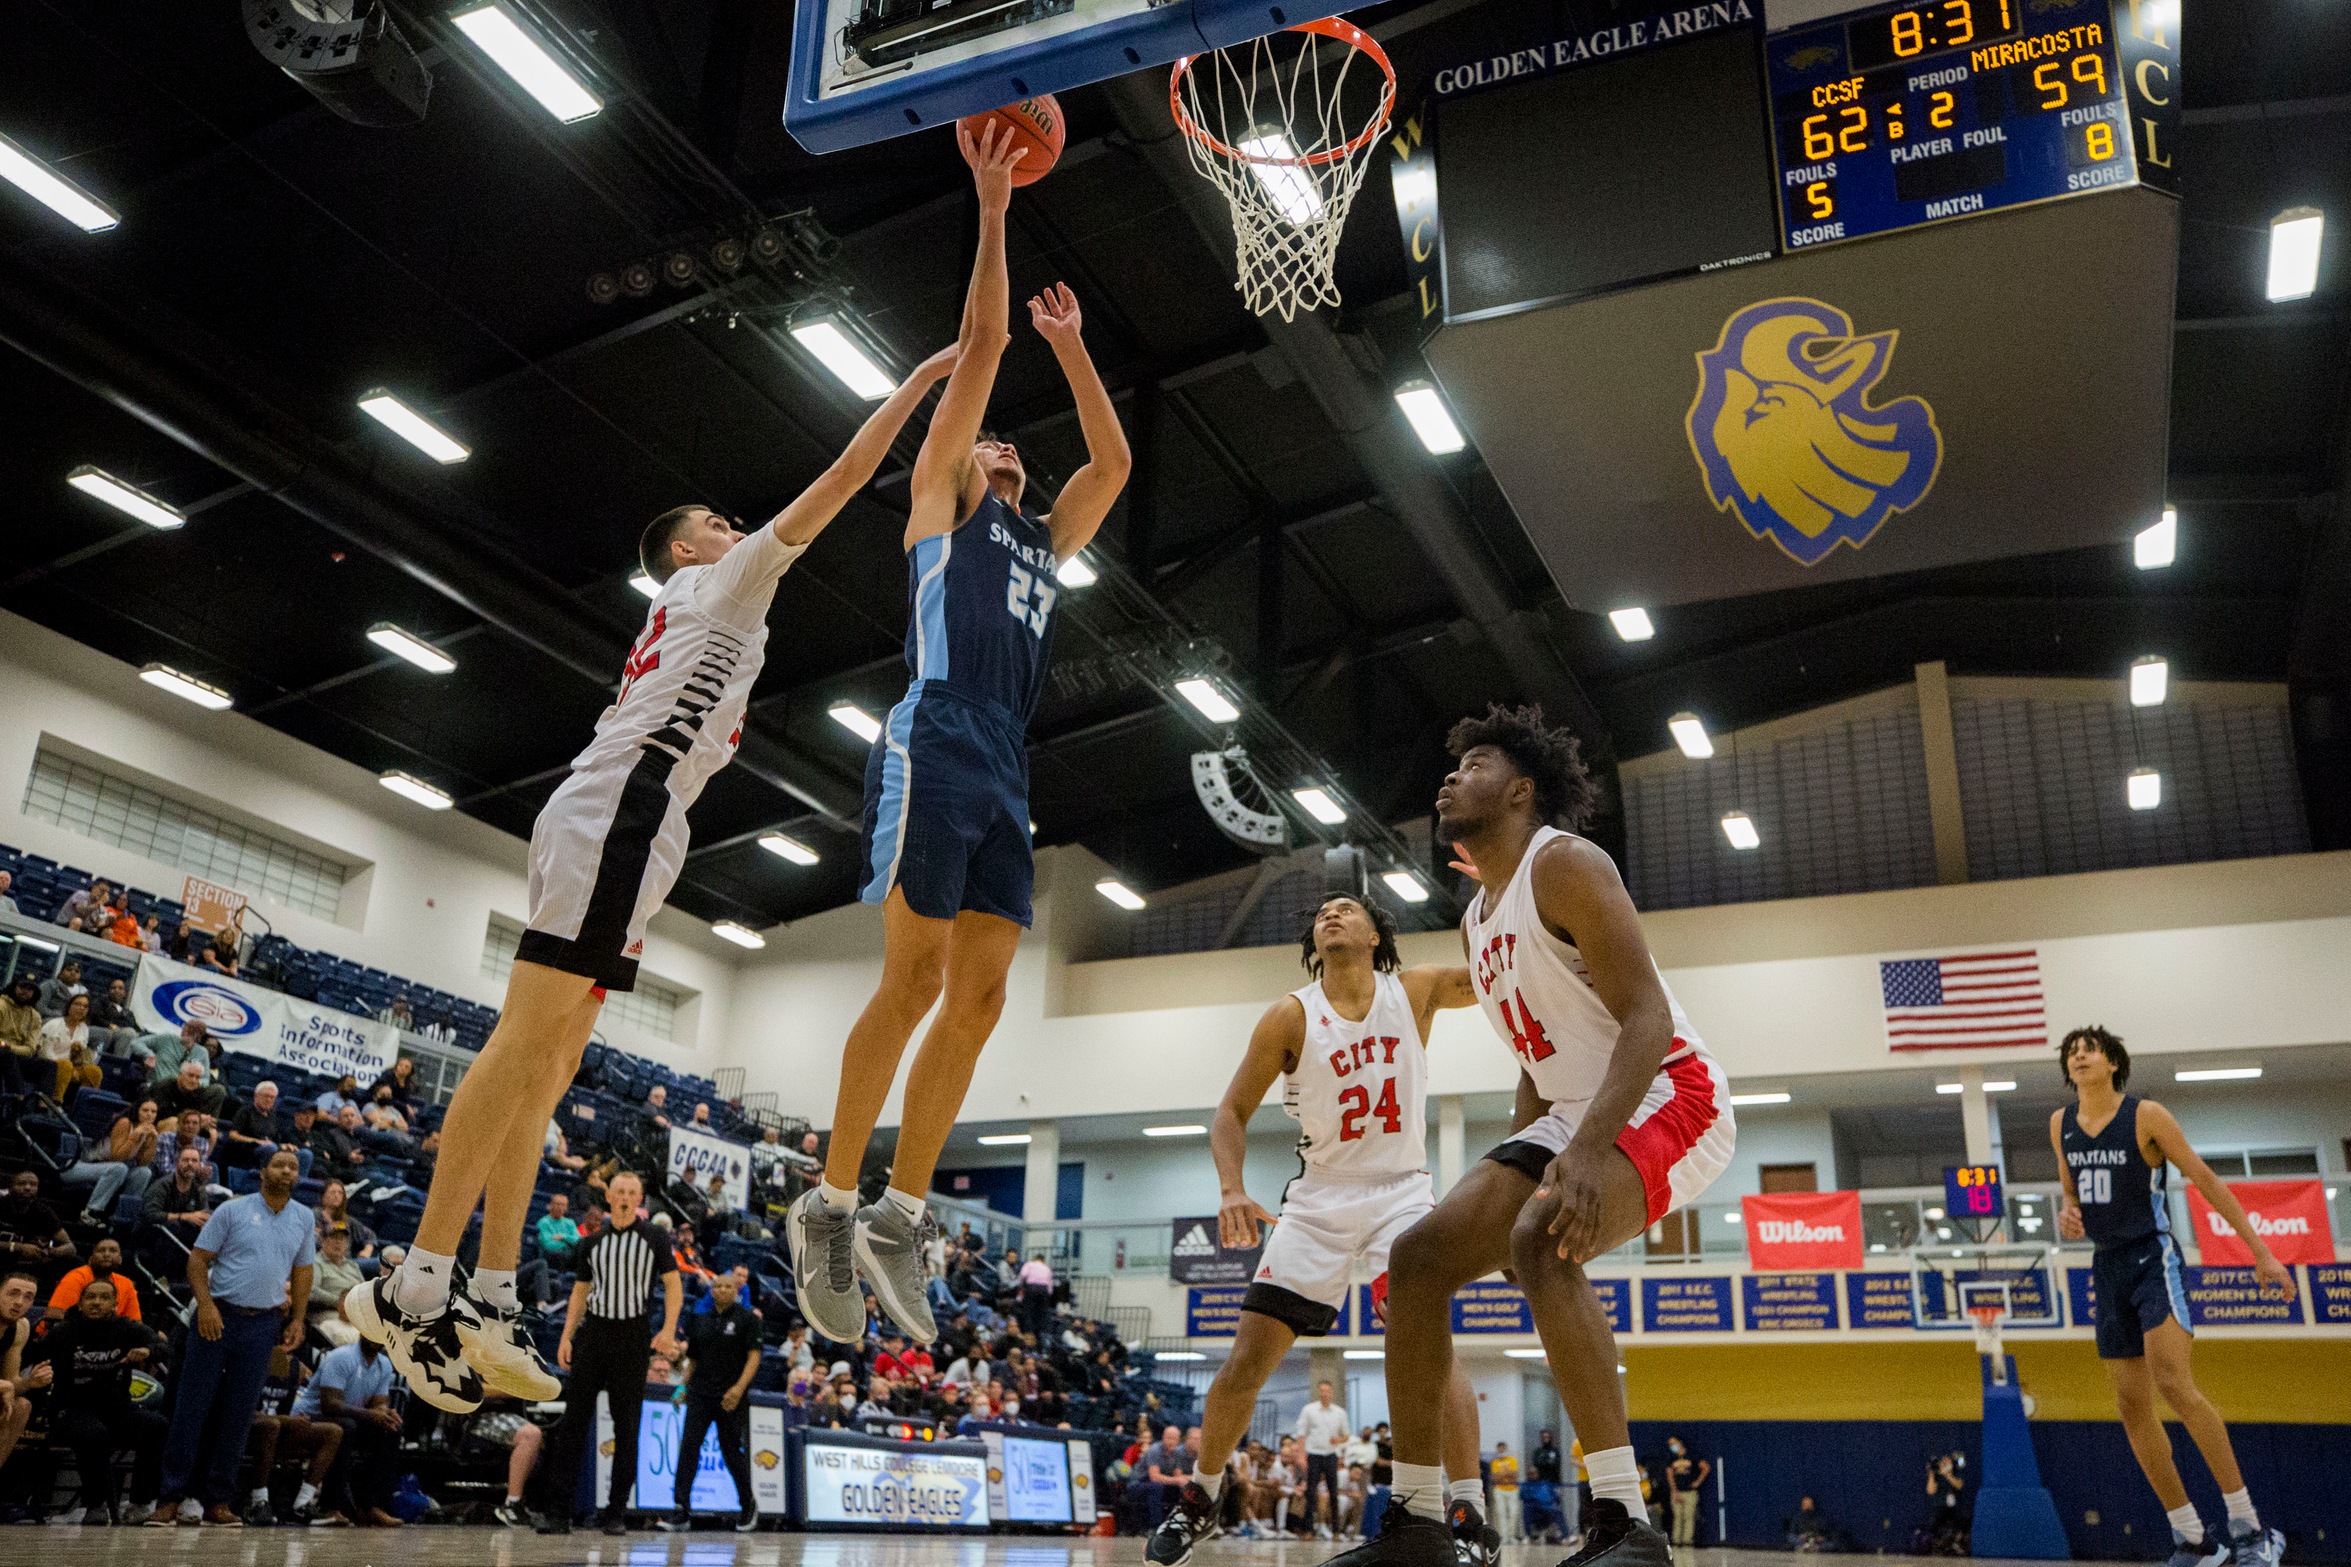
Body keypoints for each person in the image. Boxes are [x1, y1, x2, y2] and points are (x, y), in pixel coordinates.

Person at [348, 347, 960, 1417]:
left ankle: (489, 1299)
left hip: (646, 824)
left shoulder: (712, 604)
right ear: (685, 547)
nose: (737, 527)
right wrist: (916, 389)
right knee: (522, 1044)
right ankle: (414, 1283)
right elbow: (841, 480)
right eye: (719, 519)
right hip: (617, 810)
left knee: (552, 1069)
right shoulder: (713, 578)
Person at [791, 125, 1130, 1350]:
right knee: (913, 975)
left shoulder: (1047, 541)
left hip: (1007, 757)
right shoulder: (939, 504)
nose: (1005, 442)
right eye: (992, 436)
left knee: (982, 995)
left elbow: (1114, 458)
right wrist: (990, 201)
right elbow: (979, 345)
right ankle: (826, 1199)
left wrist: (1077, 351)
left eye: (1010, 445)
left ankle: (898, 1211)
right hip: (934, 730)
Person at [1333, 706, 1736, 1567]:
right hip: (1571, 1108)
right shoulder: (1481, 916)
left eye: (1473, 761)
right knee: (1417, 1259)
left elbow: (1647, 1016)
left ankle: (1626, 1523)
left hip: (1670, 1090)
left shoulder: (1565, 864)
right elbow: (1536, 1053)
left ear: (1519, 790)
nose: (1450, 775)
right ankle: (1418, 1523)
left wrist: (1581, 1154)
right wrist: (1520, 1159)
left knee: (1541, 1241)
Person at [1149, 895, 1483, 1567]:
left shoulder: (1413, 990)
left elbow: (1497, 973)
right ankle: (1202, 1497)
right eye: (1322, 910)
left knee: (1431, 1343)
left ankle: (1466, 1507)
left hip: (1402, 1192)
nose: (1331, 913)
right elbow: (1230, 1113)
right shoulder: (1290, 1014)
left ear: (1373, 934)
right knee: (1247, 1359)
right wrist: (1230, 1188)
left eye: (1347, 908)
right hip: (1318, 1198)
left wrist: (1500, 896)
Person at [2050, 1025, 2289, 1567]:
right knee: (2131, 1405)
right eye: (2071, 1051)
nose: (2079, 1055)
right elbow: (2070, 1191)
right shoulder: (2060, 1124)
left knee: (2172, 1381)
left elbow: (2203, 1178)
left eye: (2090, 1049)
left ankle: (2251, 1528)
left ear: (2113, 1063)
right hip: (2106, 1264)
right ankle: (2192, 1538)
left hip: (2152, 1257)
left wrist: (2261, 1250)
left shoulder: (2147, 1116)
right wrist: (2067, 1212)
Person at [155, 1147, 313, 1526]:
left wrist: (298, 1318)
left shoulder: (304, 1218)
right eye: (279, 1165)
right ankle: (170, 1497)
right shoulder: (233, 1211)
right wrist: (205, 1305)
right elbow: (197, 1260)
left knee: (239, 1415)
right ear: (262, 1172)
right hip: (218, 1316)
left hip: (263, 1324)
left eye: (293, 1167)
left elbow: (304, 1270)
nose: (287, 1171)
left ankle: (217, 1501)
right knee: (192, 1408)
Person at [535, 1170, 683, 1534]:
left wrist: (667, 1329)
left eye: (632, 1192)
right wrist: (567, 1336)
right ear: (609, 1197)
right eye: (619, 1190)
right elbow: (580, 1293)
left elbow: (674, 1285)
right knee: (573, 1423)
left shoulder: (654, 1237)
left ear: (639, 1199)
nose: (624, 1196)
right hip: (595, 1333)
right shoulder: (593, 1241)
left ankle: (616, 1511)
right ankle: (558, 1511)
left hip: (632, 1337)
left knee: (627, 1426)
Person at [29, 1275, 167, 1525]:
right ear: (79, 1304)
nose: (96, 1302)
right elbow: (34, 1356)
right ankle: (94, 1504)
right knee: (93, 1433)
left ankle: (140, 1502)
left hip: (116, 1407)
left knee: (157, 1426)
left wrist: (148, 1351)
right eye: (90, 1297)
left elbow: (162, 1345)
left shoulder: (127, 1327)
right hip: (71, 1408)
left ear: (115, 1305)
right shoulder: (63, 1332)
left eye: (104, 1298)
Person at [662, 1267, 763, 1532]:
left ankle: (748, 1505)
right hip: (700, 1393)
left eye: (728, 1287)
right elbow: (692, 1359)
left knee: (731, 1452)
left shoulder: (748, 1320)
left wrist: (739, 1389)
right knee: (689, 1449)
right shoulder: (700, 1320)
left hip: (730, 1396)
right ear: (711, 1290)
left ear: (737, 1290)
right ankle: (681, 1510)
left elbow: (754, 1357)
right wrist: (681, 1388)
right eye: (717, 1286)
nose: (722, 1290)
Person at [295, 1337, 405, 1526]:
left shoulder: (384, 1364)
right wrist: (370, 1414)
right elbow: (329, 1404)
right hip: (309, 1417)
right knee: (346, 1428)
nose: (374, 1337)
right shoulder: (342, 1356)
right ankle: (330, 1506)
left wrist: (384, 1413)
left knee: (390, 1430)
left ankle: (371, 1507)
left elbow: (379, 1402)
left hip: (349, 1419)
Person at [62, 1097, 161, 1225]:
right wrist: (134, 1137)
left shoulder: (147, 1130)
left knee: (144, 1172)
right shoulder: (125, 1123)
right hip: (79, 1166)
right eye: (145, 1110)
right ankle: (91, 1212)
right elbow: (116, 1157)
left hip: (109, 1170)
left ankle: (124, 1214)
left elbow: (142, 1163)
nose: (149, 1114)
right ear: (137, 1111)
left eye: (153, 1112)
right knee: (120, 1168)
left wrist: (152, 1141)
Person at [0, 1269, 51, 1476]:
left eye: (28, 1297)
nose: (19, 1302)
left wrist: (30, 1383)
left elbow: (11, 1379)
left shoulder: (21, 1327)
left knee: (21, 1406)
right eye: (13, 1293)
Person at [48, 1234, 143, 1322]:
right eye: (101, 1251)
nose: (106, 1254)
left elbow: (136, 1323)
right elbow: (54, 1317)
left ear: (120, 1259)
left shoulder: (126, 1284)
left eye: (113, 1251)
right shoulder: (76, 1277)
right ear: (90, 1259)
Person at [0, 1169, 73, 1269]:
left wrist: (49, 1251)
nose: (27, 1188)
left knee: (75, 1261)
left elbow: (70, 1247)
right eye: (21, 1183)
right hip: (4, 1256)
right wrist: (19, 1247)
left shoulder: (44, 1212)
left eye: (33, 1184)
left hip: (27, 1262)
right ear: (10, 1187)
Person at [309, 1226, 368, 1346]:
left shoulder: (352, 1266)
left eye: (342, 1239)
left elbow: (365, 1291)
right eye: (333, 1237)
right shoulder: (315, 1262)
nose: (338, 1242)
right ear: (323, 1241)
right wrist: (342, 1302)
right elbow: (311, 1292)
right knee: (347, 1332)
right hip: (328, 1312)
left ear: (347, 1245)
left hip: (355, 1313)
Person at [38, 991, 101, 1100]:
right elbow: (44, 1052)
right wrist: (68, 1066)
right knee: (65, 1066)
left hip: (71, 1065)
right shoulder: (54, 1024)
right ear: (69, 1006)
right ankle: (55, 1102)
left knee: (94, 1071)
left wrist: (77, 1054)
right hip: (50, 1064)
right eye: (77, 1004)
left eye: (85, 1006)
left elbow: (79, 1058)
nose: (81, 1008)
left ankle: (81, 1104)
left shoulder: (84, 1029)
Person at [222, 1080, 287, 1168]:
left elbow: (274, 1139)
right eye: (266, 1096)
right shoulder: (245, 1111)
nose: (268, 1100)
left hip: (269, 1148)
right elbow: (232, 1135)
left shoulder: (273, 1116)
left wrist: (284, 1146)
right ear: (256, 1096)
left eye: (272, 1098)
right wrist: (257, 1142)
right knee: (270, 1149)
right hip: (247, 1150)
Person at [1664, 1436, 1708, 1547]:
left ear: (1680, 1442)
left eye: (1674, 1443)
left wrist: (1698, 1482)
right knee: (1677, 1516)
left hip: (1690, 1492)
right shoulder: (1671, 1458)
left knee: (1689, 1516)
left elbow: (1706, 1467)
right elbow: (1669, 1475)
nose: (1672, 1446)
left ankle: (1687, 1541)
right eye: (1670, 1444)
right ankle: (1676, 1540)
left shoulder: (1692, 1455)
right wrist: (1674, 1491)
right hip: (1677, 1491)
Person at [536, 1192, 582, 1266]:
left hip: (569, 1257)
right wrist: (568, 1244)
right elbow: (548, 1244)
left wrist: (563, 1237)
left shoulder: (570, 1222)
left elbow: (578, 1240)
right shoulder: (543, 1222)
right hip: (550, 1258)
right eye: (557, 1204)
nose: (560, 1207)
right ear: (550, 1206)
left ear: (566, 1208)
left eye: (563, 1205)